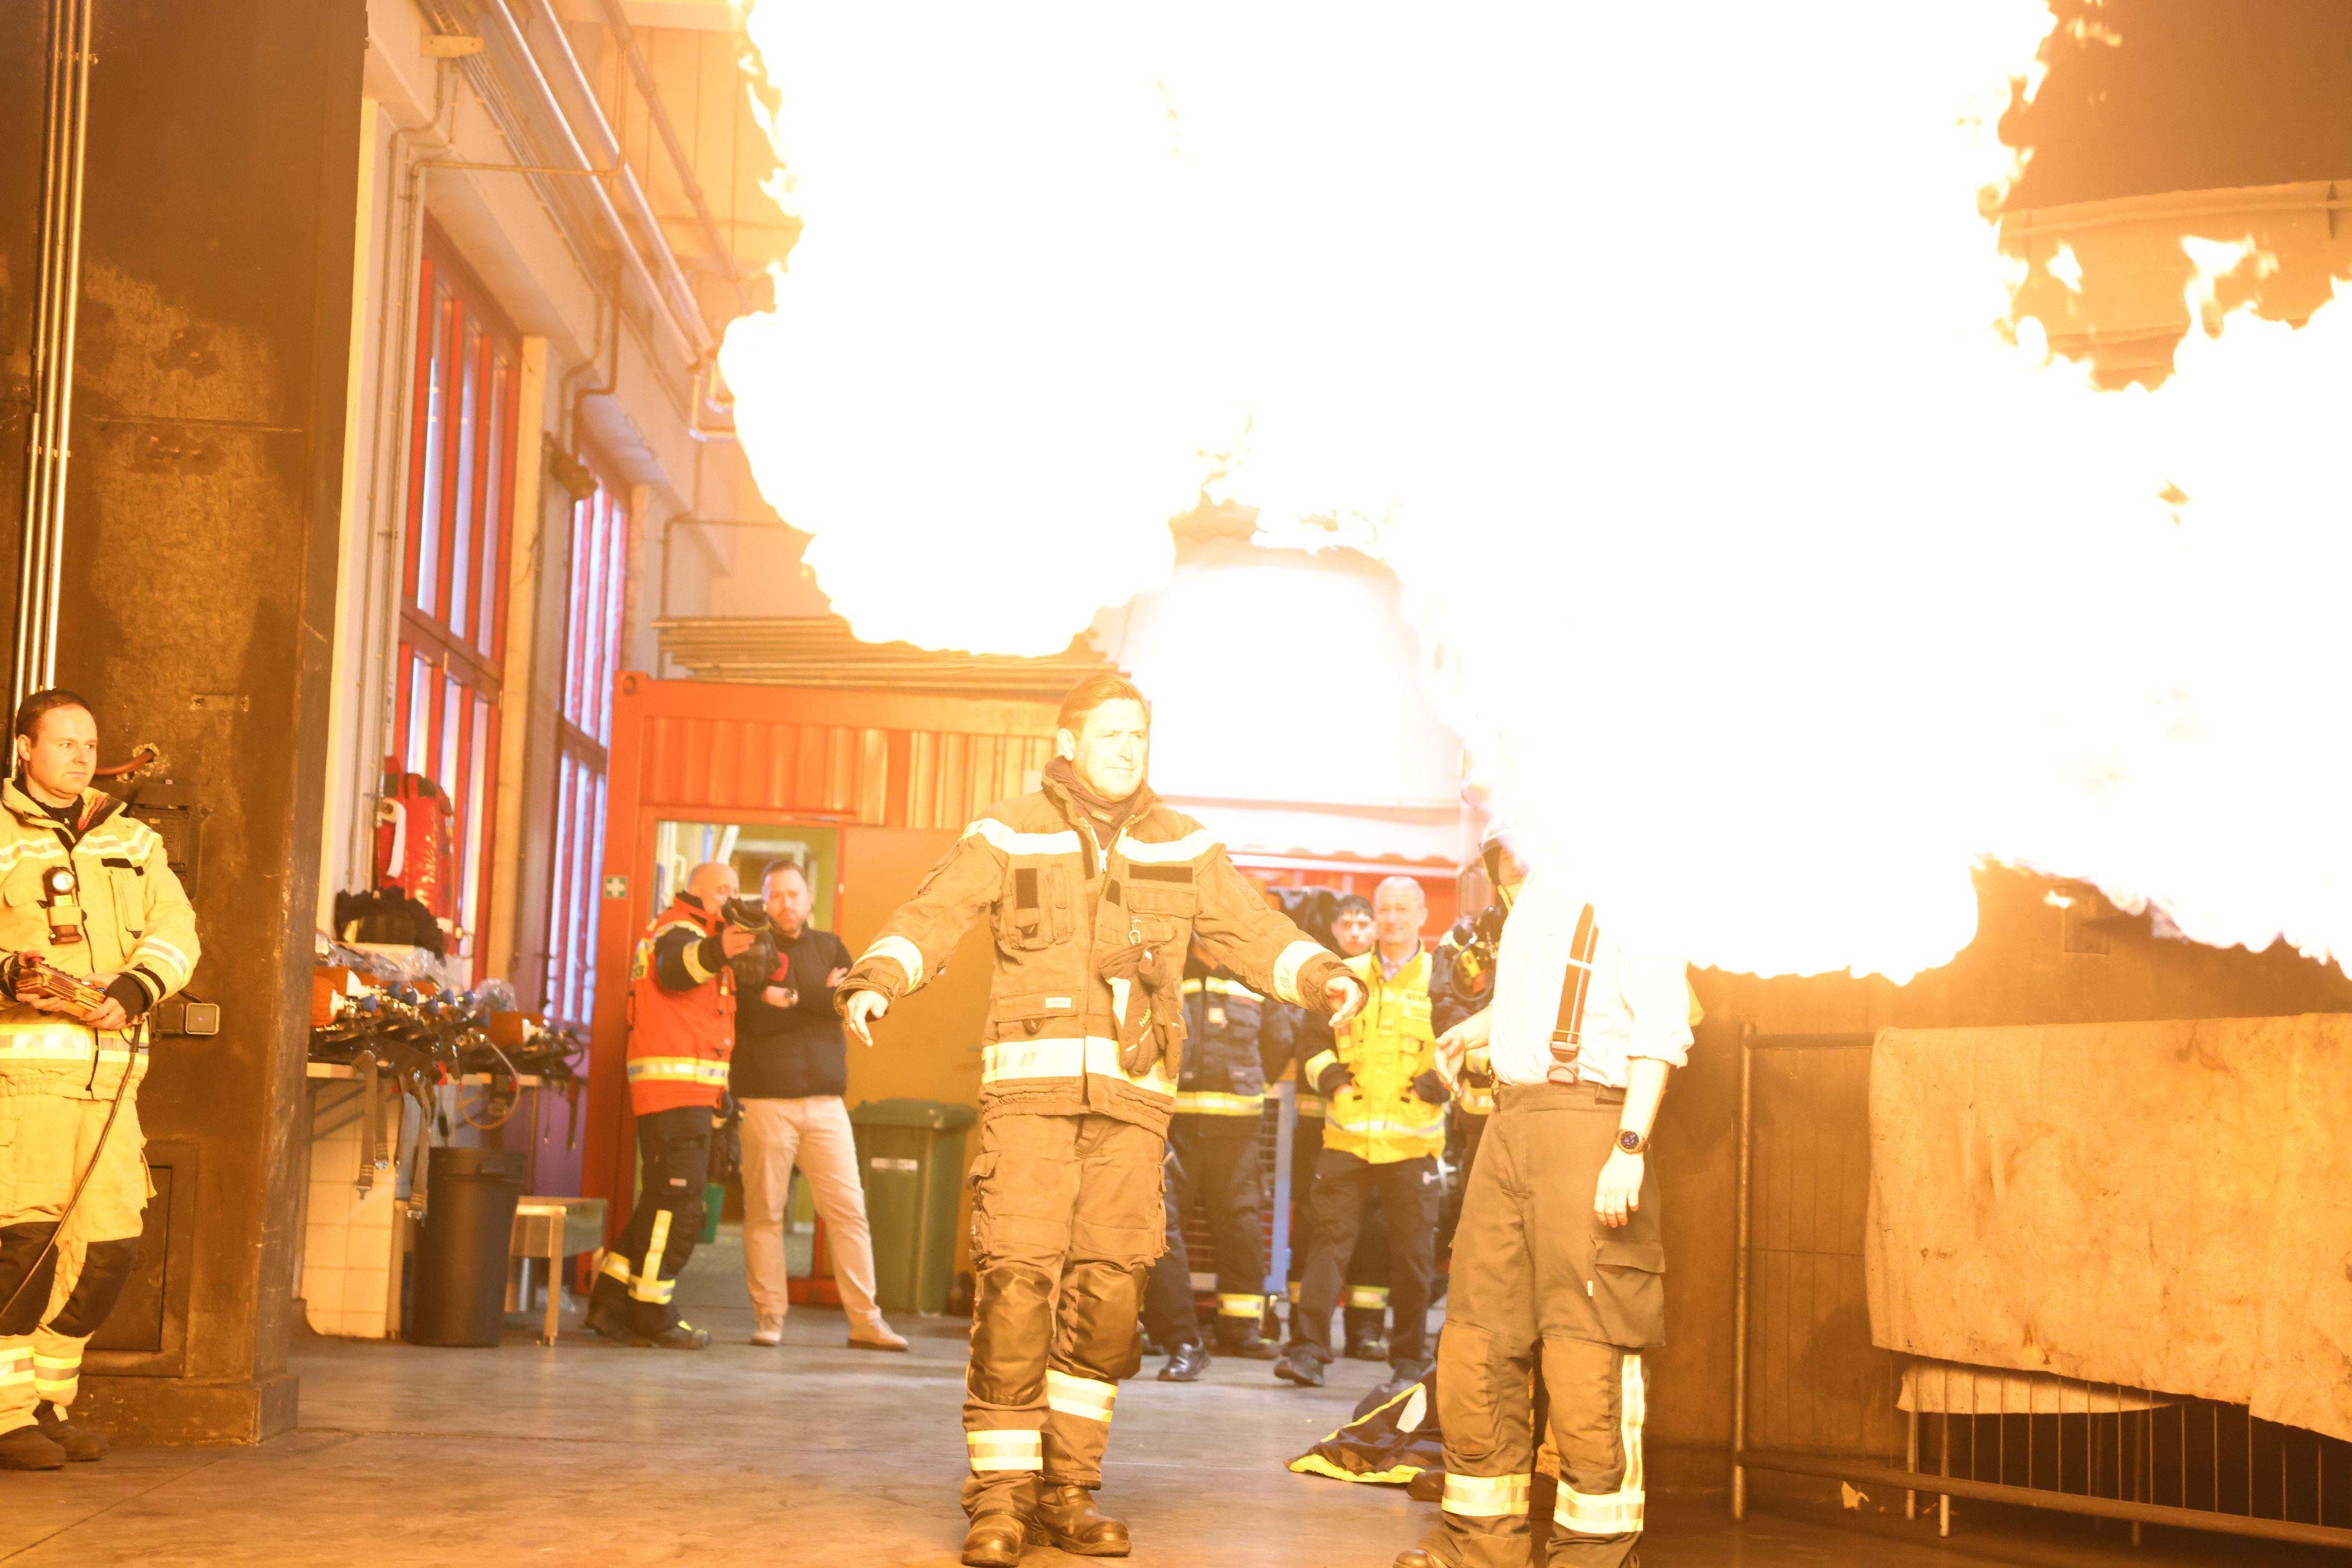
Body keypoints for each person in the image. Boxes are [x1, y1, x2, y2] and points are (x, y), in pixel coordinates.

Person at [836, 674, 1368, 1567]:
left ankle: (1068, 1493)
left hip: (1130, 1113)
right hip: (1030, 1111)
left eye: (1140, 734)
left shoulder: (1185, 845)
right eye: (1112, 732)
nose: (1129, 747)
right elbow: (938, 910)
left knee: (1112, 1304)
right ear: (1070, 739)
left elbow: (1251, 927)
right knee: (1015, 1293)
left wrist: (1323, 977)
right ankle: (1000, 1500)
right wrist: (879, 976)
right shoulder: (1008, 828)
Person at [1394, 864, 1694, 1568]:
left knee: (1586, 1350)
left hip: (1589, 1126)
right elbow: (1539, 1000)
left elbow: (1658, 1032)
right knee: (1477, 1340)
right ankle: (1480, 1548)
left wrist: (1629, 1147)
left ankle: (1592, 1556)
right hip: (1509, 1126)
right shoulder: (1537, 886)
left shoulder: (1640, 888)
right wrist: (1474, 1030)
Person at [0, 690, 200, 1469]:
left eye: (90, 743)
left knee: (110, 1244)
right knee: (24, 1246)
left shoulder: (131, 839)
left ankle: (49, 1402)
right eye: (64, 741)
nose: (81, 755)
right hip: (26, 1084)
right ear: (25, 747)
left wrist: (137, 987)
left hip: (113, 1080)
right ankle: (7, 1411)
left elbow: (176, 931)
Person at [1277, 876, 1445, 1398]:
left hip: (1413, 1144)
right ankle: (1306, 1352)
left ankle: (1409, 1360)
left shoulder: (1442, 980)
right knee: (1325, 1245)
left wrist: (1439, 1081)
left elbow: (1466, 1038)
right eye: (1384, 909)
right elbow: (1311, 1043)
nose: (1391, 918)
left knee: (1413, 1258)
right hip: (1346, 1140)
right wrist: (1331, 1080)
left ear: (1421, 917)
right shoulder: (1346, 975)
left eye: (1402, 909)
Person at [731, 860, 906, 1352]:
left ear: (809, 899)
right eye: (776, 895)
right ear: (765, 902)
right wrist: (817, 995)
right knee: (764, 1214)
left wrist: (789, 999)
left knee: (849, 1212)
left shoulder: (831, 946)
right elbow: (749, 1017)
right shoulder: (751, 950)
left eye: (794, 893)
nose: (786, 903)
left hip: (827, 1105)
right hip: (765, 1101)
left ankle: (866, 1322)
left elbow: (847, 999)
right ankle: (769, 1317)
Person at [586, 860, 753, 1351]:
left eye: (735, 889)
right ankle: (652, 1311)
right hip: (675, 1094)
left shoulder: (696, 931)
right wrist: (720, 947)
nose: (731, 897)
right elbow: (676, 971)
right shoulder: (681, 930)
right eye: (723, 888)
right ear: (696, 890)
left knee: (661, 1199)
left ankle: (611, 1299)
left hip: (683, 1094)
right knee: (680, 1207)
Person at [1140, 950, 1279, 1381]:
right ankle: (1161, 1326)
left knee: (1238, 1221)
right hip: (1177, 1121)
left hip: (1236, 1126)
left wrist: (1250, 1081)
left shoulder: (1252, 972)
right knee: (1163, 1225)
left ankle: (1240, 1326)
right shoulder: (1172, 968)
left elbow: (1279, 1038)